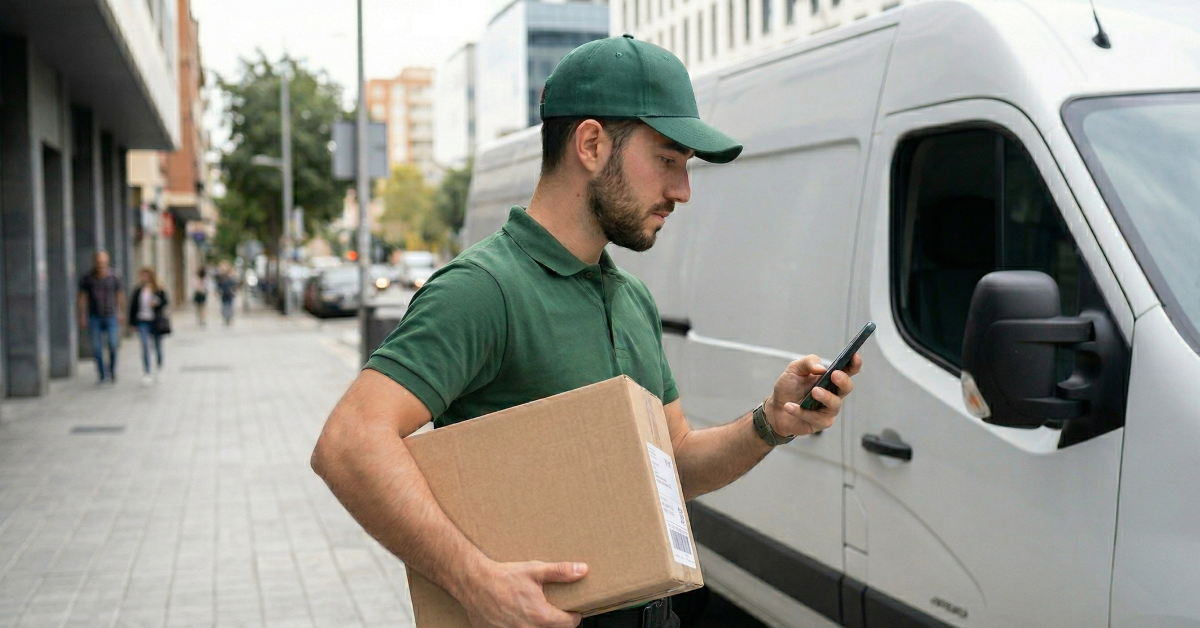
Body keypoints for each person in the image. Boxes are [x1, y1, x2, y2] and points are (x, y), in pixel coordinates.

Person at [311, 35, 862, 628]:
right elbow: (350, 442)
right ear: (593, 144)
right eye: (668, 159)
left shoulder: (631, 298)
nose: (683, 190)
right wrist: (476, 582)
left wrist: (769, 422)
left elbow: (670, 463)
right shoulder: (483, 289)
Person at [77, 251, 125, 384]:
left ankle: (112, 370)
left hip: (111, 315)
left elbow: (119, 295)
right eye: (99, 262)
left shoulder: (115, 276)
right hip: (94, 316)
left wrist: (120, 312)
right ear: (95, 262)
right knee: (97, 347)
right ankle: (102, 374)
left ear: (107, 262)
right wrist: (82, 316)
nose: (101, 265)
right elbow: (82, 297)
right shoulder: (87, 278)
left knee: (113, 344)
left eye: (103, 262)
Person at [129, 267, 168, 386]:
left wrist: (157, 303)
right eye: (142, 275)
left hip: (155, 321)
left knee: (157, 346)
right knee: (145, 346)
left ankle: (159, 368)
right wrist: (132, 323)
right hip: (142, 321)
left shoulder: (158, 289)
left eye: (146, 275)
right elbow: (133, 307)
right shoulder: (138, 290)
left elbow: (165, 302)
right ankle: (147, 372)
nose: (144, 278)